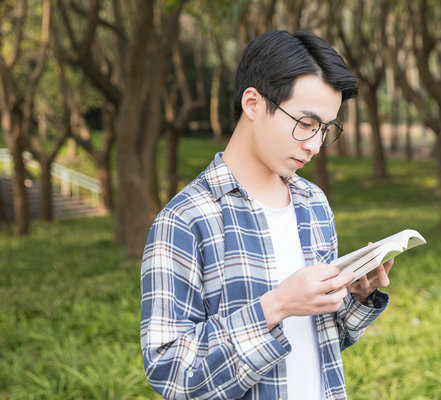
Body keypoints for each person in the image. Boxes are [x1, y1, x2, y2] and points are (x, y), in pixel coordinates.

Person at [140, 30, 394, 400]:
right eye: (306, 124)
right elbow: (173, 376)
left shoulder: (313, 204)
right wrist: (275, 306)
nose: (315, 144)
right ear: (253, 103)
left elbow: (321, 343)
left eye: (326, 129)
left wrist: (355, 295)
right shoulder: (185, 219)